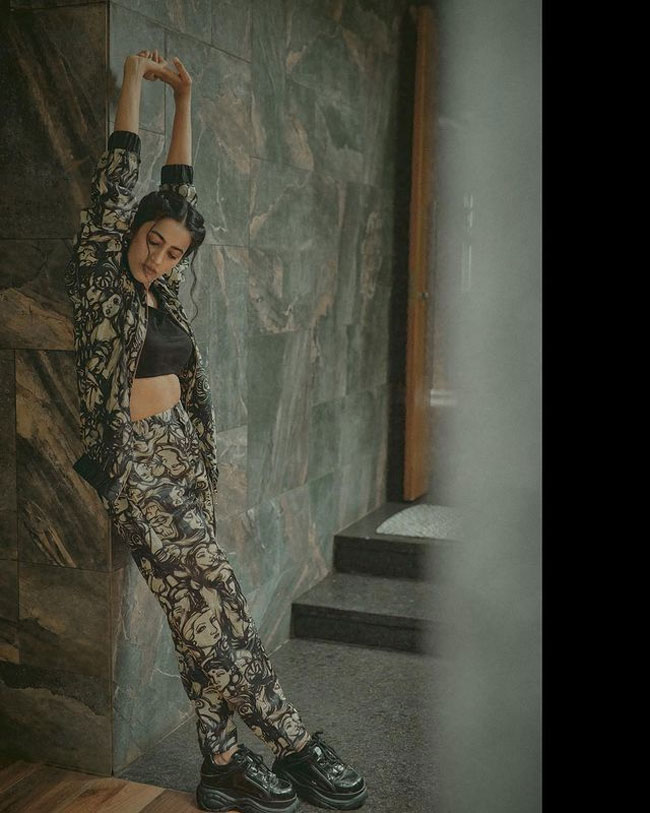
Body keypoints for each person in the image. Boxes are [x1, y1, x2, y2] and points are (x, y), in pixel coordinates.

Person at [64, 50, 368, 812]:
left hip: (181, 456)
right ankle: (294, 742)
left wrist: (189, 100)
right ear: (130, 229)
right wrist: (137, 82)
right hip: (137, 469)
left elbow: (181, 189)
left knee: (207, 616)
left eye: (173, 252)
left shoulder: (162, 287)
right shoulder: (102, 268)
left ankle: (224, 761)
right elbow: (122, 172)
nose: (159, 257)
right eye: (152, 242)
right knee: (212, 618)